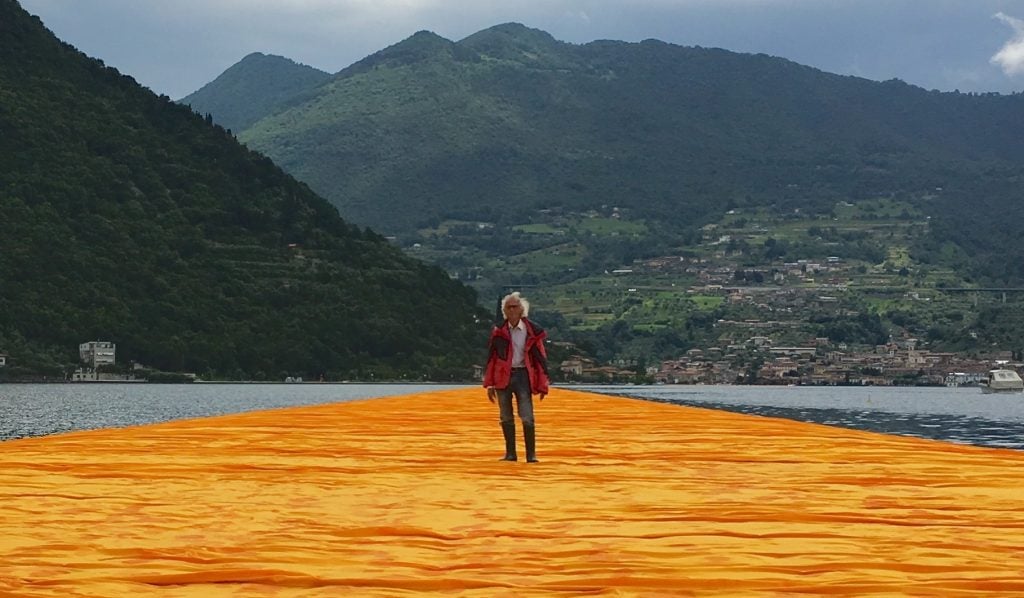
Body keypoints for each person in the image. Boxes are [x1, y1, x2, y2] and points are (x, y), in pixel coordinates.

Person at [483, 291, 550, 463]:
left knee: (527, 416)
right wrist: (489, 383)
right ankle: (510, 454)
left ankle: (531, 455)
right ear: (504, 310)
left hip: (523, 376)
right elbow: (492, 358)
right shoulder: (499, 332)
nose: (511, 310)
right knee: (505, 416)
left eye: (514, 307)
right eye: (508, 307)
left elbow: (540, 359)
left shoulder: (532, 332)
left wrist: (543, 383)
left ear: (522, 310)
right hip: (502, 376)